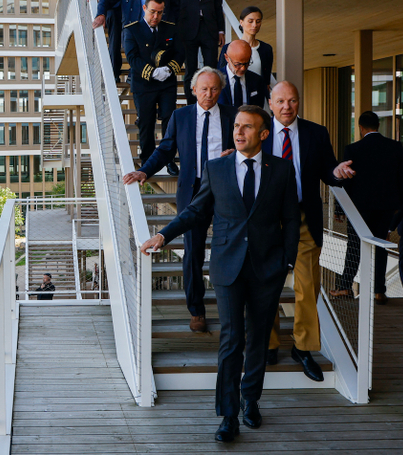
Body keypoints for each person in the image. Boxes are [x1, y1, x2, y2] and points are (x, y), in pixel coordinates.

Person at [141, 105, 300, 443]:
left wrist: (286, 260)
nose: (239, 132)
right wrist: (163, 235)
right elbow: (195, 210)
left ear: (263, 134)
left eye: (247, 127)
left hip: (267, 268)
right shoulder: (216, 168)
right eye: (236, 126)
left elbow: (291, 220)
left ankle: (250, 400)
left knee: (259, 338)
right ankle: (228, 414)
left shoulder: (283, 170)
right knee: (231, 340)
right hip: (228, 267)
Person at [124, 67, 235, 330]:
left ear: (221, 90)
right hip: (193, 189)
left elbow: (249, 144)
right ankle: (196, 309)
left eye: (214, 89)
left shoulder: (233, 115)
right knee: (193, 251)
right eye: (204, 89)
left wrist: (236, 154)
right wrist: (144, 170)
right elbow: (165, 149)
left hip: (226, 188)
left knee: (228, 248)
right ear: (194, 90)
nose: (209, 94)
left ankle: (230, 306)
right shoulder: (180, 115)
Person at [262, 82, 354, 381]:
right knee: (267, 287)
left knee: (307, 287)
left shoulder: (316, 132)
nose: (287, 106)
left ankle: (303, 349)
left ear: (298, 102)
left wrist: (336, 172)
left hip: (304, 218)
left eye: (292, 100)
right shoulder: (258, 131)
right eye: (280, 101)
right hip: (267, 221)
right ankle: (269, 344)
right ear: (271, 103)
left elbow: (328, 168)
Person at [331, 111, 403, 306]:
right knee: (380, 246)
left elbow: (345, 181)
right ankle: (379, 291)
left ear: (361, 128)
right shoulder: (396, 147)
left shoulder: (353, 149)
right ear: (378, 126)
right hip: (385, 207)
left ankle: (345, 285)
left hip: (359, 207)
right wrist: (398, 206)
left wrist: (339, 209)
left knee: (354, 244)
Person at [123, 0, 181, 165]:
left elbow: (180, 53)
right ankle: (148, 160)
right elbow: (132, 58)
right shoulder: (131, 29)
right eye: (153, 11)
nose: (156, 16)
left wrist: (169, 69)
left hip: (166, 83)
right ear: (144, 8)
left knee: (169, 119)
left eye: (160, 12)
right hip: (144, 84)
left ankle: (168, 159)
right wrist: (152, 72)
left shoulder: (170, 28)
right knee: (146, 123)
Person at [175, 0, 224, 104]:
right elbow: (174, 6)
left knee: (212, 67)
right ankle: (192, 104)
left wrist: (221, 31)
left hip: (209, 28)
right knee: (190, 69)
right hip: (187, 29)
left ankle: (212, 101)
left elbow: (218, 6)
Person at [220, 6, 275, 96]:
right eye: (250, 21)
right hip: (235, 94)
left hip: (258, 96)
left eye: (258, 21)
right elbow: (221, 75)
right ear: (241, 22)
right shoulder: (229, 48)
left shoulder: (266, 49)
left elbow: (266, 81)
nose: (254, 25)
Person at [218, 40, 265, 109]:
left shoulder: (257, 81)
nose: (243, 68)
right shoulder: (215, 80)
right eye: (238, 64)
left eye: (247, 63)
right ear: (227, 58)